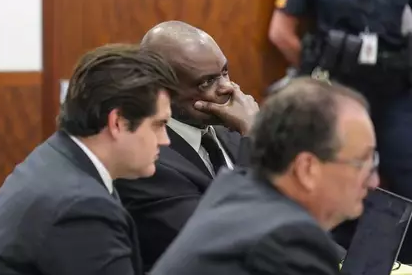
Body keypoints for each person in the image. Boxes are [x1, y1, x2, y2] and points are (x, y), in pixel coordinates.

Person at [267, 0, 412, 258]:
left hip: (392, 90)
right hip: (337, 92)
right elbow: (280, 33)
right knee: (339, 178)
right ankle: (340, 260)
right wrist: (316, 72)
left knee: (403, 174)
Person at [0, 44, 179, 275]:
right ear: (117, 122)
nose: (165, 140)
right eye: (158, 125)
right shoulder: (80, 207)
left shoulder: (57, 156)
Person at [150, 78, 380, 275]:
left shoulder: (236, 190)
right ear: (307, 169)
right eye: (362, 163)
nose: (373, 181)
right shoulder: (288, 239)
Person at [114, 20, 258, 270]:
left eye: (225, 72)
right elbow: (223, 242)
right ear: (159, 89)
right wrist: (256, 136)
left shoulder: (231, 130)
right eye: (206, 82)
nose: (227, 88)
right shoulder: (147, 161)